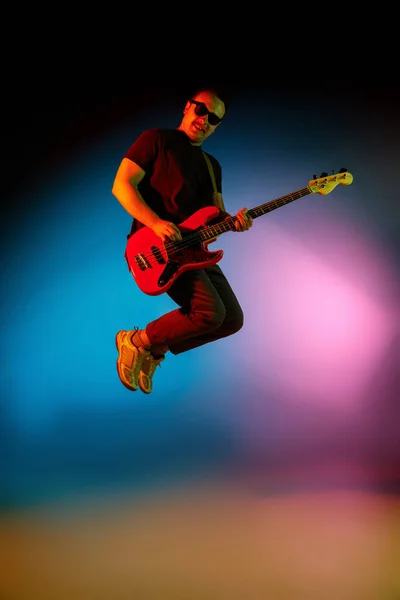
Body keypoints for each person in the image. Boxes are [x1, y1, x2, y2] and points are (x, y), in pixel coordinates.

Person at [112, 86, 253, 394]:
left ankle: (154, 350)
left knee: (231, 319)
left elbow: (216, 215)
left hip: (193, 249)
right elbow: (121, 185)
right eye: (201, 110)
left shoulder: (211, 166)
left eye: (214, 119)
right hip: (154, 246)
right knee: (210, 313)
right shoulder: (156, 140)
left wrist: (236, 223)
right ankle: (135, 341)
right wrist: (156, 222)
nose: (205, 120)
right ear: (188, 107)